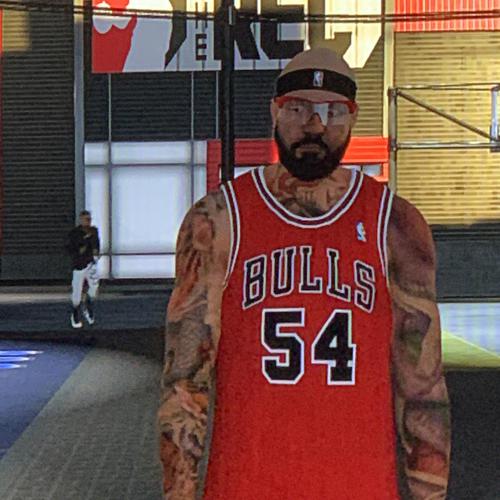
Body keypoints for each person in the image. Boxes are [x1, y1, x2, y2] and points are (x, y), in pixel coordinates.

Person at [158, 48, 451, 499]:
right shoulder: (218, 221)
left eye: (332, 111)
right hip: (246, 486)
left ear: (353, 118)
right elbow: (184, 382)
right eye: (298, 109)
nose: (314, 125)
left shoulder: (395, 224)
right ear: (274, 112)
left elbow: (423, 389)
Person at [66, 210, 100, 329]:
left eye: (89, 219)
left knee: (94, 285)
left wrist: (96, 253)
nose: (88, 221)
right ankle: (75, 312)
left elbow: (96, 244)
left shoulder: (94, 231)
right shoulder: (74, 233)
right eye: (86, 219)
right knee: (77, 290)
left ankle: (88, 303)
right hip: (79, 265)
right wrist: (82, 245)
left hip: (90, 263)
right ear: (81, 220)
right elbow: (70, 248)